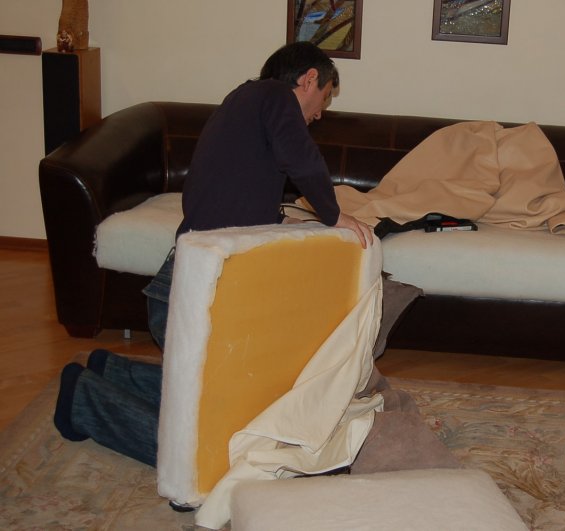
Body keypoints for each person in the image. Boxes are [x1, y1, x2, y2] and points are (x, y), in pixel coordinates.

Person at [53, 41, 373, 469]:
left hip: (190, 281)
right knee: (216, 445)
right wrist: (333, 214)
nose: (319, 114)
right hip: (197, 288)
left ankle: (111, 373)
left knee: (219, 396)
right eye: (324, 98)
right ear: (308, 79)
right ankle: (83, 399)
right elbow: (301, 158)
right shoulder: (273, 96)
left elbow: (235, 195)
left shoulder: (245, 103)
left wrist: (285, 221)